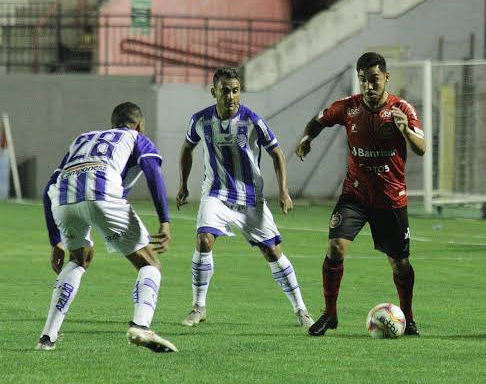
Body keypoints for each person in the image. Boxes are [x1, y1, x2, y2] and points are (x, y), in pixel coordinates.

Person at [294, 52, 426, 336]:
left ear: (386, 77)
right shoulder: (348, 107)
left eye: (374, 79)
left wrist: (405, 130)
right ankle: (330, 314)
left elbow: (421, 148)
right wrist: (307, 139)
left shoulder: (402, 109)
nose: (368, 85)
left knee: (400, 263)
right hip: (355, 195)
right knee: (335, 247)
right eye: (363, 80)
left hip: (390, 199)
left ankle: (409, 317)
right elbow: (319, 120)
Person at [176, 67, 314, 328]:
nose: (231, 96)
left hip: (250, 198)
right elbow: (187, 148)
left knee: (272, 252)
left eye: (235, 91)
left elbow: (277, 153)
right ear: (214, 92)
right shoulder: (200, 120)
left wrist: (283, 191)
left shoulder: (252, 121)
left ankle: (301, 310)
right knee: (204, 240)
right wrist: (183, 184)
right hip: (215, 194)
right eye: (225, 91)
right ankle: (198, 307)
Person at [38, 102, 176, 352]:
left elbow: (49, 187)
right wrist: (164, 220)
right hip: (102, 197)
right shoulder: (136, 137)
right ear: (140, 125)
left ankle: (47, 337)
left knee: (79, 260)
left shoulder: (82, 139)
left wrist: (55, 241)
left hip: (64, 202)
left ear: (112, 124)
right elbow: (153, 172)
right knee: (150, 263)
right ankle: (141, 326)